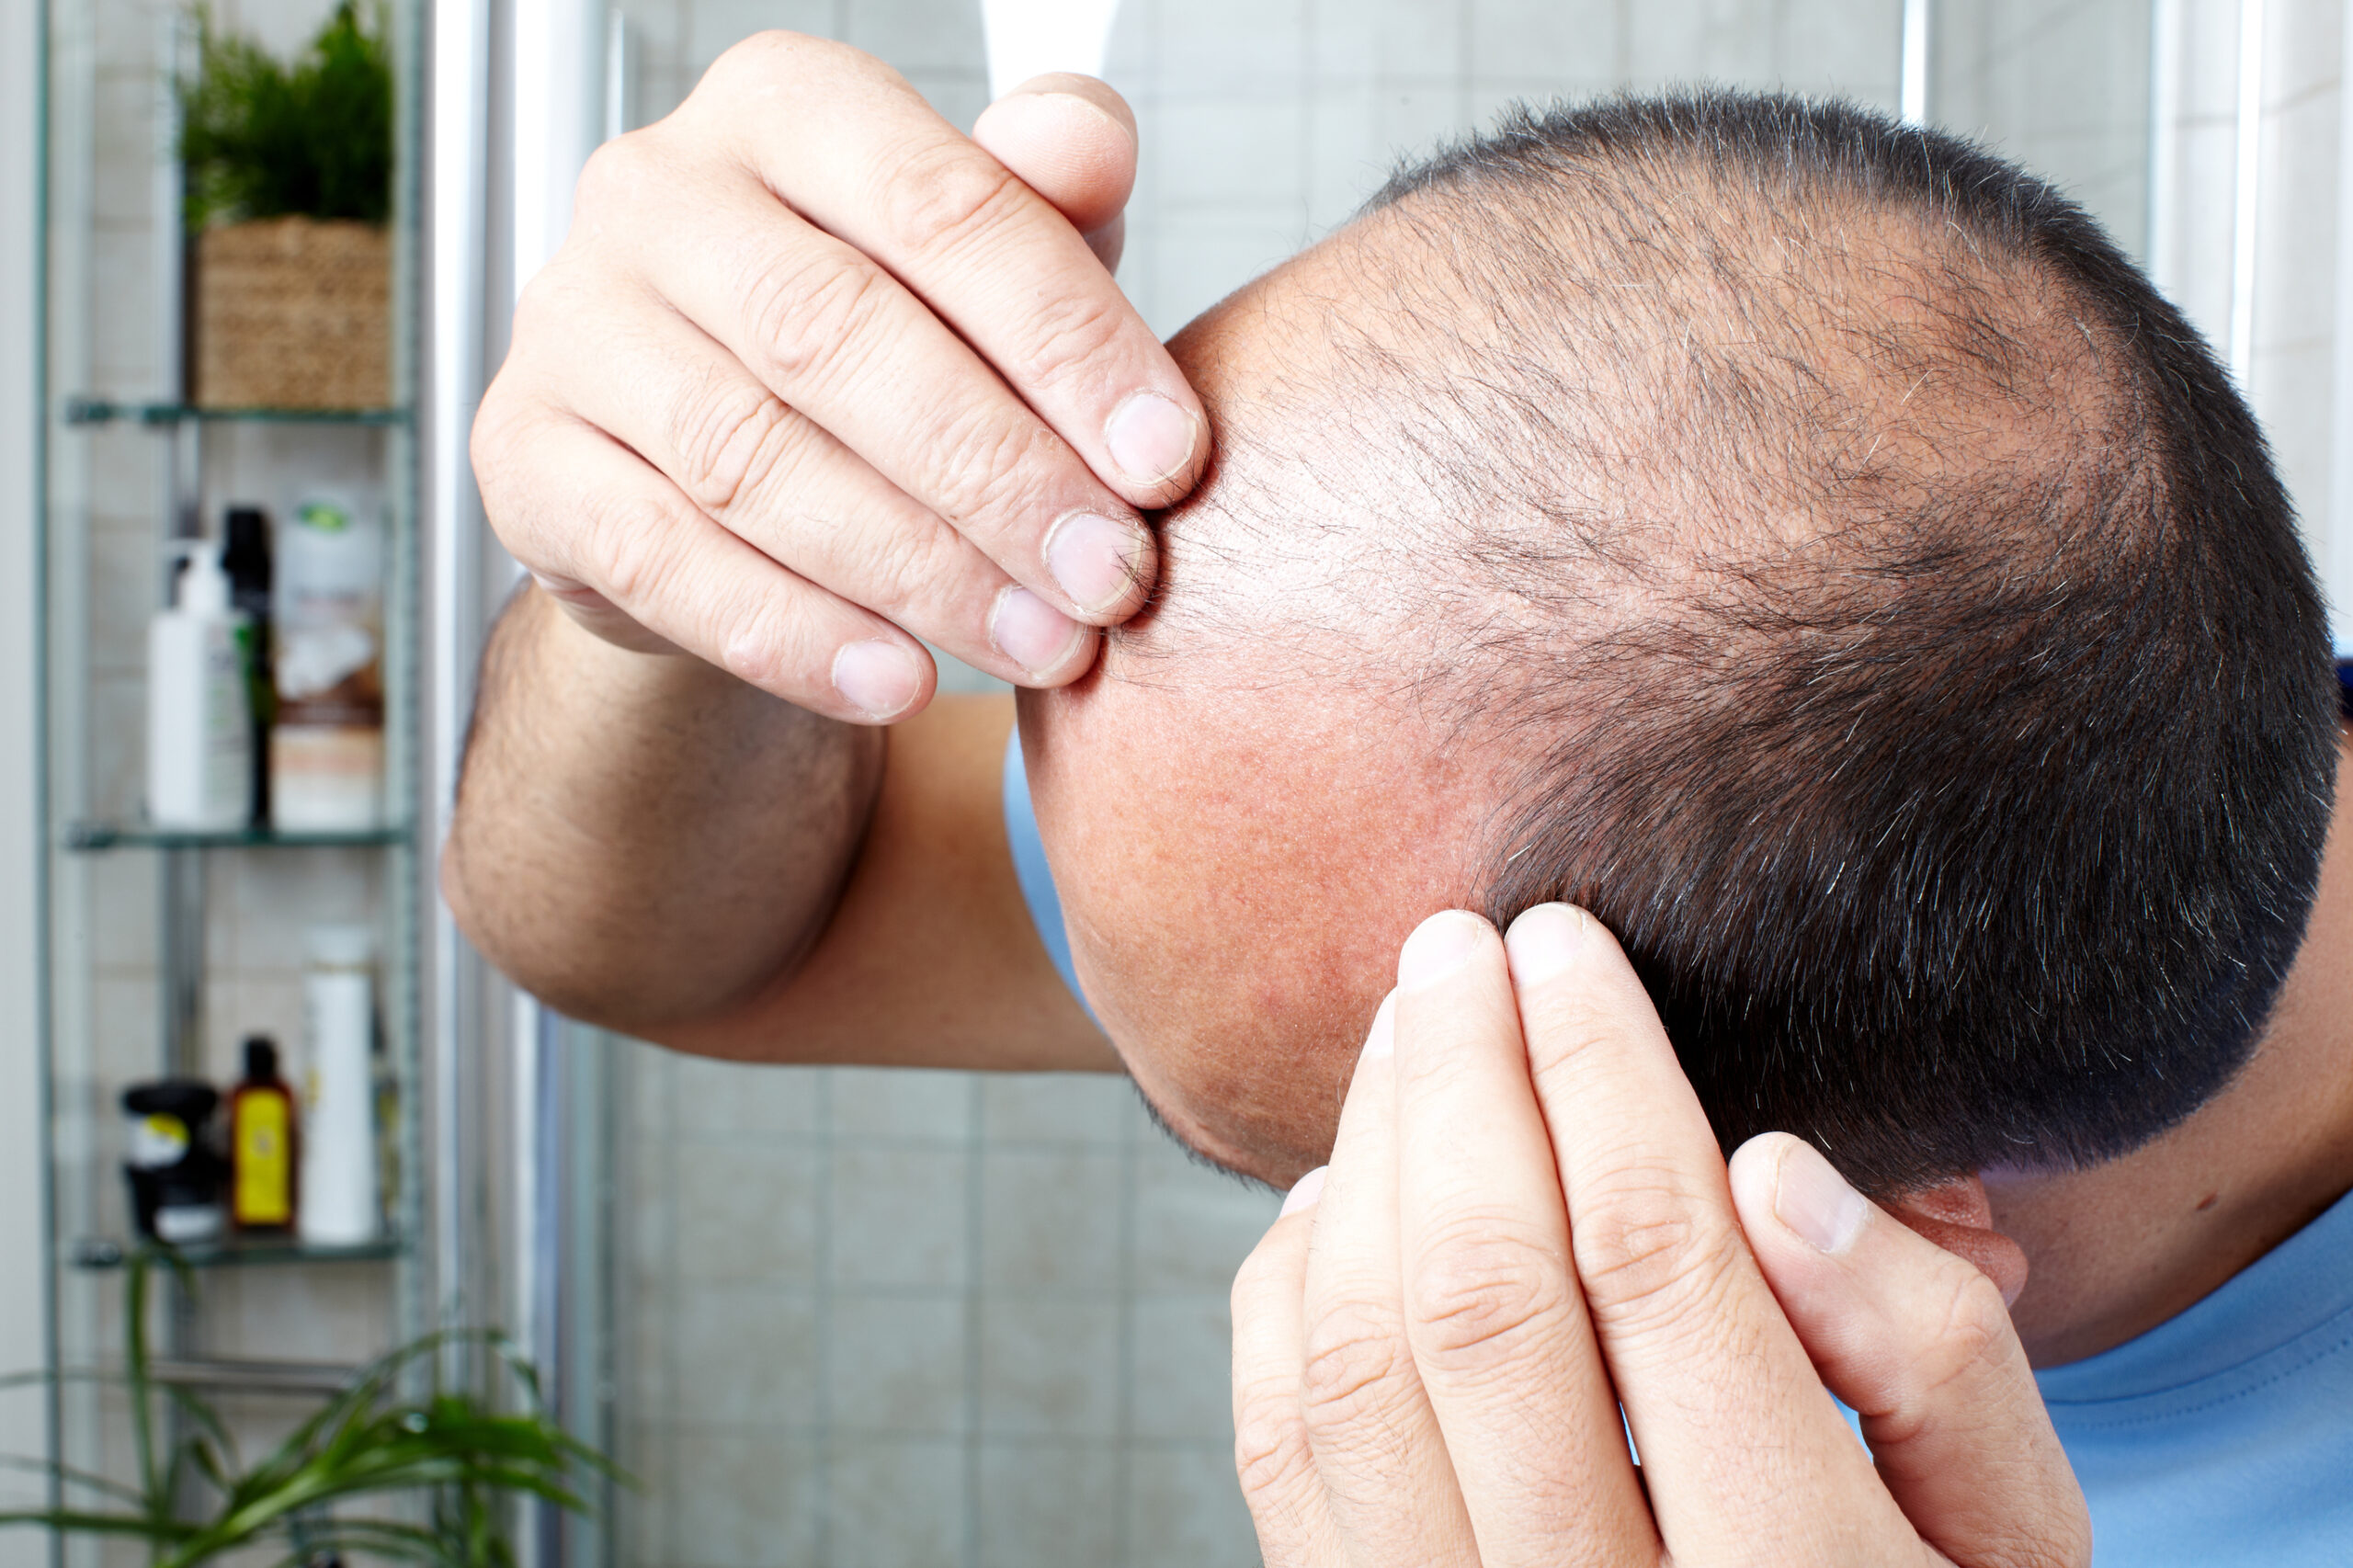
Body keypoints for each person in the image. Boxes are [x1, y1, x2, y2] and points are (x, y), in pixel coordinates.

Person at [449, 36, 2353, 1563]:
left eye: (1321, 1165)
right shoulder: (1413, 813)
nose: (1382, 1271)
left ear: (1857, 1257)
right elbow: (677, 941)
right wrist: (662, 604)